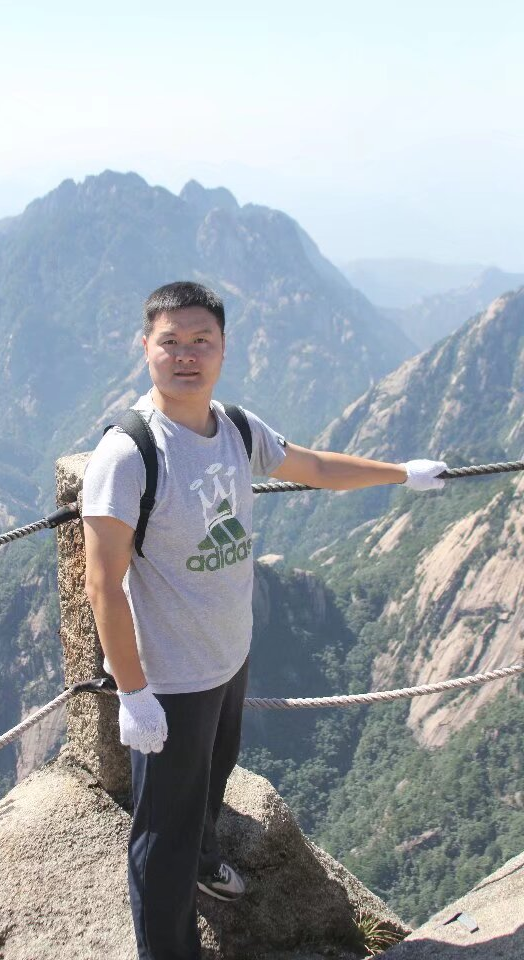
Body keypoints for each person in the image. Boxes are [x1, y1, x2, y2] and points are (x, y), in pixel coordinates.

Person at [82, 281, 447, 960]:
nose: (186, 355)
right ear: (145, 348)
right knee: (161, 836)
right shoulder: (129, 454)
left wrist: (402, 474)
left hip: (228, 657)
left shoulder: (236, 428)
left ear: (223, 349)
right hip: (171, 680)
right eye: (171, 341)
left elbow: (316, 466)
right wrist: (134, 693)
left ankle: (203, 860)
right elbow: (102, 584)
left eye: (202, 341)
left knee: (213, 779)